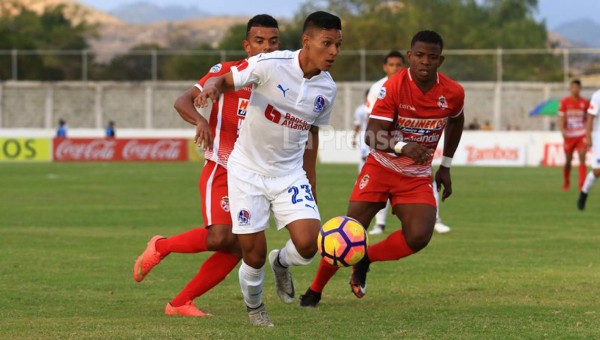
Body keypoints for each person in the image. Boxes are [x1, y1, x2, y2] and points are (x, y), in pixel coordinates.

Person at [195, 11, 342, 327]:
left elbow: (312, 137)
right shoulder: (271, 64)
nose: (333, 52)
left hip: (289, 174)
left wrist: (311, 181)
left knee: (307, 244)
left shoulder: (328, 89)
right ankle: (255, 308)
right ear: (307, 41)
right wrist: (214, 89)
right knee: (253, 255)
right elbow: (227, 79)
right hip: (246, 172)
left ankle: (282, 262)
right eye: (327, 43)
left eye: (338, 45)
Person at [300, 30, 464, 307]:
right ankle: (315, 290)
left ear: (441, 60)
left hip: (415, 176)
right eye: (420, 56)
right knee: (347, 230)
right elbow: (371, 135)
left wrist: (445, 165)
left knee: (419, 236)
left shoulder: (453, 92)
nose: (425, 62)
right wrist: (404, 147)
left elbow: (456, 121)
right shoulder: (393, 87)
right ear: (410, 57)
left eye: (432, 57)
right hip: (380, 168)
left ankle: (365, 259)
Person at [131, 14, 281, 317]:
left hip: (256, 175)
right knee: (219, 237)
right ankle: (161, 246)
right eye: (259, 41)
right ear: (247, 45)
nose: (266, 48)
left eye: (273, 42)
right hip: (222, 166)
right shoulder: (227, 72)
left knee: (240, 248)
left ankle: (180, 303)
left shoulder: (282, 83)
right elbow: (182, 100)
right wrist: (201, 120)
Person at [364, 50, 405, 236]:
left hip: (408, 142)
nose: (395, 68)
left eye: (398, 65)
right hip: (383, 145)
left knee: (424, 177)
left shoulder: (411, 85)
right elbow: (371, 119)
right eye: (391, 65)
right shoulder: (377, 87)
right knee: (379, 187)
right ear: (385, 67)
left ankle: (434, 220)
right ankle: (379, 224)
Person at [558, 79, 589, 191]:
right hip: (569, 135)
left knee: (582, 157)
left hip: (581, 134)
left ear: (580, 89)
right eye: (572, 88)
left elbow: (588, 118)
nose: (574, 90)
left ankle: (582, 184)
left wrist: (589, 133)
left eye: (576, 87)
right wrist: (562, 131)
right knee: (568, 160)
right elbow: (561, 117)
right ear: (570, 89)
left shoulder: (585, 103)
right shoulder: (565, 102)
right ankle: (566, 182)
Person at [577, 87, 600, 210]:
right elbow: (590, 117)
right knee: (597, 171)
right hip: (598, 136)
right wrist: (588, 136)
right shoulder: (597, 96)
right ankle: (584, 193)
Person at [352, 90, 370, 171]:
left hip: (376, 136)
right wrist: (354, 138)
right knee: (364, 158)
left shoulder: (377, 108)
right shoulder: (360, 110)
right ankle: (361, 176)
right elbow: (357, 125)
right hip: (364, 137)